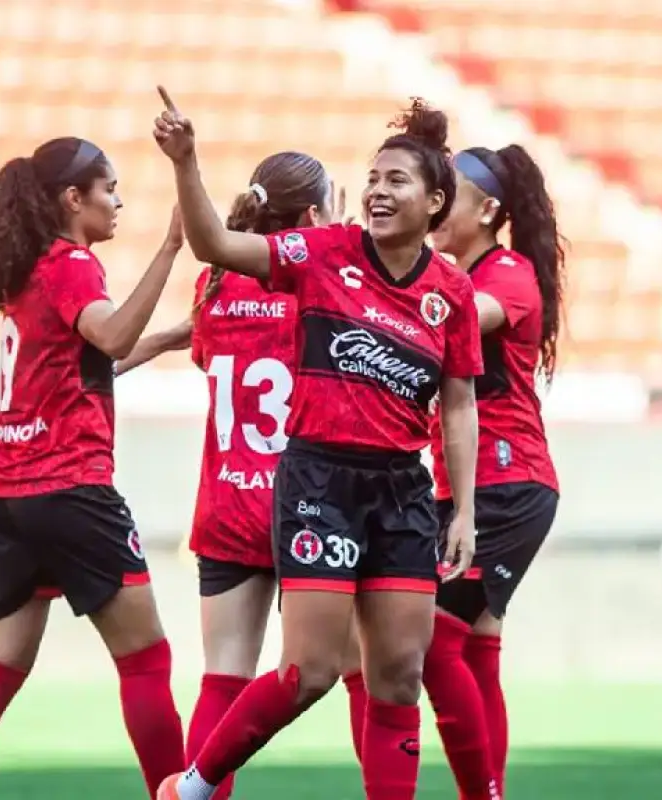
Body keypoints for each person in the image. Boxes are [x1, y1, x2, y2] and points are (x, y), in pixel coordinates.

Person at [152, 88, 483, 800]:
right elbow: (217, 246)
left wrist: (463, 512)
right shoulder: (323, 252)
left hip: (402, 489)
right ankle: (198, 784)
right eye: (372, 179)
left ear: (434, 203)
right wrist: (187, 162)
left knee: (398, 674)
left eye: (397, 181)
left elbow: (458, 403)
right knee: (310, 671)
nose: (377, 191)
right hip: (319, 483)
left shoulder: (451, 293)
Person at [0, 137, 186, 799]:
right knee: (146, 661)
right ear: (74, 198)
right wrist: (170, 248)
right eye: (110, 189)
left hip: (4, 493)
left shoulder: (31, 269)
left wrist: (173, 336)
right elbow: (111, 336)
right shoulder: (73, 265)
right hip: (69, 486)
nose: (119, 201)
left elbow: (86, 367)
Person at [117, 156, 369, 796]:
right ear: (314, 216)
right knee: (364, 670)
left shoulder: (217, 285)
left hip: (228, 500)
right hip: (307, 504)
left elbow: (206, 343)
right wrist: (338, 245)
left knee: (223, 677)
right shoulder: (324, 279)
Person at [421, 145, 566, 800]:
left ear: (488, 210)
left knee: (432, 642)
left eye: (444, 192)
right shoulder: (463, 271)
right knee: (476, 648)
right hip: (466, 486)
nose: (433, 204)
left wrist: (378, 271)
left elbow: (450, 322)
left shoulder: (506, 274)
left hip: (507, 483)